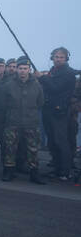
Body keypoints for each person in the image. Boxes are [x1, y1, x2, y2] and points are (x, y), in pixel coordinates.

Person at [0, 57, 46, 184]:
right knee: (10, 148)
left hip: (31, 122)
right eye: (20, 68)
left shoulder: (37, 85)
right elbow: (3, 103)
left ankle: (34, 173)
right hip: (12, 122)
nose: (22, 71)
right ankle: (9, 171)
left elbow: (40, 102)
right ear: (17, 70)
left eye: (25, 69)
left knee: (33, 149)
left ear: (29, 70)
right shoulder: (8, 85)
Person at [37, 47, 76, 181]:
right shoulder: (54, 71)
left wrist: (42, 78)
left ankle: (65, 171)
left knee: (61, 140)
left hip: (60, 111)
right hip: (49, 108)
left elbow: (55, 88)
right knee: (52, 140)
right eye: (56, 57)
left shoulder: (68, 73)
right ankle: (57, 168)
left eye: (61, 57)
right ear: (52, 58)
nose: (58, 59)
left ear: (66, 59)